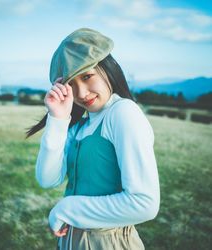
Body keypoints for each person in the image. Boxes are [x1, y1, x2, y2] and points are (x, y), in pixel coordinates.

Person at [27, 28, 160, 250]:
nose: (80, 93)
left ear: (107, 69)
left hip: (109, 243)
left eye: (87, 76)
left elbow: (144, 204)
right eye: (70, 84)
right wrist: (57, 120)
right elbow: (47, 179)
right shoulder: (80, 125)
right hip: (70, 242)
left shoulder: (122, 113)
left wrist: (66, 209)